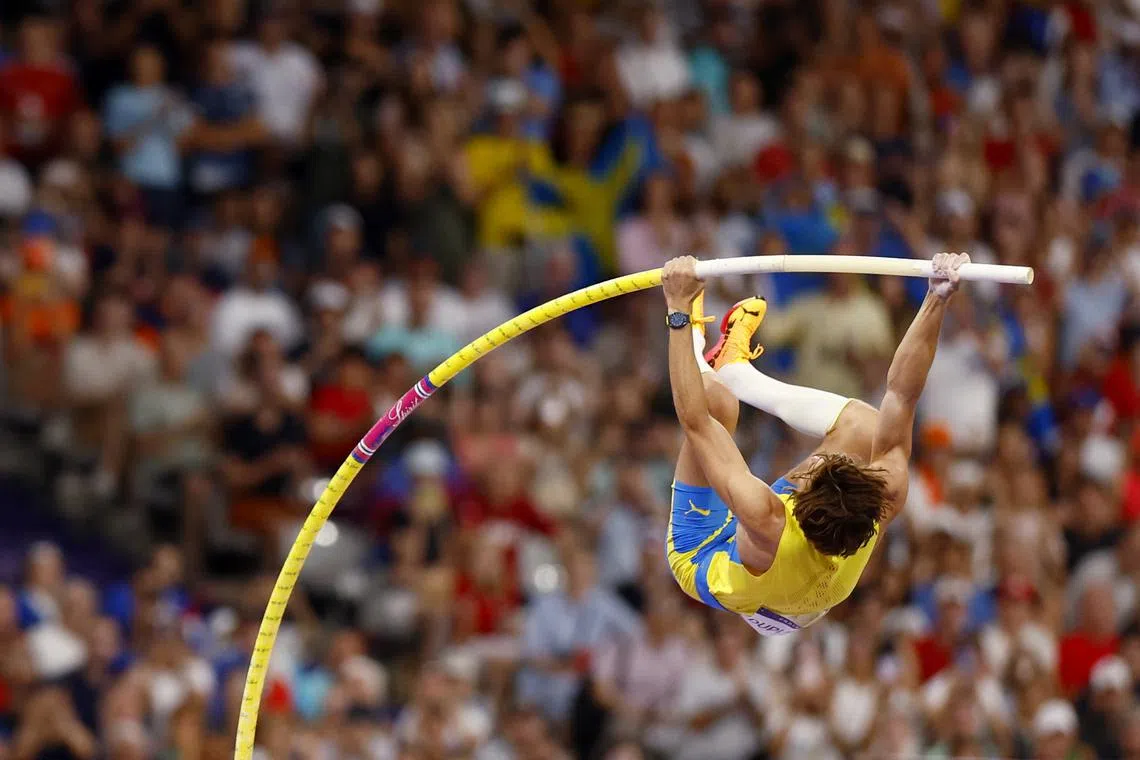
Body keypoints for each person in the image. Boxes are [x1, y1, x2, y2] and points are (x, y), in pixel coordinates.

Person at [659, 251, 969, 636]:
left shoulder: (766, 517)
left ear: (799, 505)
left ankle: (713, 365)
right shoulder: (885, 494)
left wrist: (678, 310)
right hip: (808, 591)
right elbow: (903, 393)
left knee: (716, 402)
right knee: (868, 427)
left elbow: (694, 420)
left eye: (810, 475)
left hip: (706, 554)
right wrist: (936, 299)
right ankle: (737, 371)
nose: (811, 462)